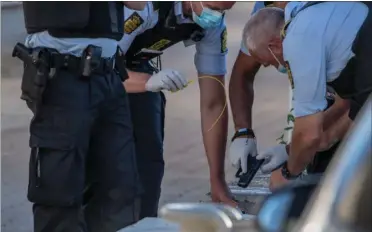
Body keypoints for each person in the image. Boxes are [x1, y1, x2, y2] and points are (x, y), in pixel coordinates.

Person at [15, 2, 146, 232]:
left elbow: (138, 3)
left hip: (108, 76)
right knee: (59, 193)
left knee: (119, 189)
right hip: (63, 74)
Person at [118, 1, 236, 218]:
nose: (215, 15)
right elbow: (101, 68)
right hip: (86, 71)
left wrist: (217, 178)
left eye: (223, 10)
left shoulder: (213, 26)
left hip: (134, 65)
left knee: (149, 167)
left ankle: (144, 223)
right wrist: (145, 82)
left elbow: (214, 102)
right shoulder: (145, 6)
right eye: (212, 6)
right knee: (102, 172)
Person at [241, 1, 371, 189]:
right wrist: (290, 150)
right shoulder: (310, 21)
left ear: (274, 45)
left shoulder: (297, 41)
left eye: (264, 61)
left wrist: (287, 173)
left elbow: (309, 134)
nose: (269, 65)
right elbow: (346, 104)